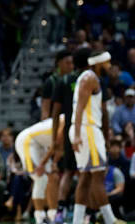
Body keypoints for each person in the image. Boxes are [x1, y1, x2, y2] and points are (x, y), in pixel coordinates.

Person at [69, 50, 123, 224]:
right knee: (98, 175)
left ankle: (77, 221)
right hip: (87, 130)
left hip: (87, 130)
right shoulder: (90, 78)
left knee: (85, 177)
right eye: (107, 62)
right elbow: (79, 109)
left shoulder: (90, 78)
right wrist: (77, 135)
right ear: (98, 63)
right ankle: (110, 219)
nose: (109, 66)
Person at [50, 47, 92, 220]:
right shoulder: (91, 79)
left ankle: (60, 211)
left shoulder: (64, 80)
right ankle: (86, 212)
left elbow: (55, 113)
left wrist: (54, 138)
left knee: (68, 171)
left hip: (69, 130)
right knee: (86, 172)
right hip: (87, 130)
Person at [15, 116, 63, 223]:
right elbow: (56, 144)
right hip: (27, 140)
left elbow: (60, 149)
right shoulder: (65, 120)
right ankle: (40, 218)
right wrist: (42, 164)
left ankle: (53, 216)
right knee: (40, 178)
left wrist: (54, 163)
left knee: (54, 177)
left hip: (42, 145)